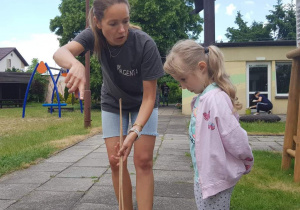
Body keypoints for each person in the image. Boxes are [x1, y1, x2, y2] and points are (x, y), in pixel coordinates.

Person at [53, 0, 164, 209]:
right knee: (116, 161)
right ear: (98, 22)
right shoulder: (92, 36)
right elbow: (60, 53)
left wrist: (134, 132)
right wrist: (75, 63)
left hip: (144, 102)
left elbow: (150, 97)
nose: (122, 30)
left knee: (143, 161)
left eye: (126, 21)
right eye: (113, 23)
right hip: (114, 101)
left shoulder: (145, 44)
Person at [163, 40, 254, 210]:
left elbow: (233, 134)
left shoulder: (215, 99)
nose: (182, 86)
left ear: (202, 67)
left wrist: (246, 159)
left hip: (216, 177)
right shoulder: (202, 99)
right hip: (205, 175)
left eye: (183, 79)